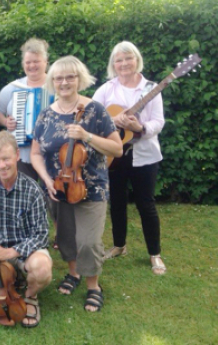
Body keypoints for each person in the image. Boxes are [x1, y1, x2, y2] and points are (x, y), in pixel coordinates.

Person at [31, 56, 122, 312]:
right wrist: (47, 180)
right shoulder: (46, 114)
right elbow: (36, 153)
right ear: (52, 81)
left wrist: (88, 136)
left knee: (89, 241)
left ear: (79, 79)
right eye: (59, 78)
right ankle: (74, 273)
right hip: (58, 187)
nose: (64, 82)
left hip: (91, 187)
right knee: (66, 237)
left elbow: (117, 148)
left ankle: (94, 286)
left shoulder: (95, 110)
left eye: (70, 77)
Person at [93, 41, 166, 275]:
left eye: (128, 58)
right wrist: (111, 122)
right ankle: (119, 245)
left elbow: (158, 121)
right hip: (115, 154)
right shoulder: (107, 89)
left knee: (146, 204)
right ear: (113, 64)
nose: (124, 63)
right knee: (116, 201)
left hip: (144, 155)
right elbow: (93, 114)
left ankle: (155, 254)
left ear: (137, 60)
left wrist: (140, 127)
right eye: (119, 60)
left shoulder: (150, 88)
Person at [0, 131, 52, 328]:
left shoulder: (32, 190)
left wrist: (11, 251)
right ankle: (8, 285)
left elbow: (42, 234)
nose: (1, 165)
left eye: (6, 158)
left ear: (16, 156)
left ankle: (30, 296)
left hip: (25, 254)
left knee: (42, 268)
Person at [0, 38, 58, 247]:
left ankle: (60, 232)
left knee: (55, 192)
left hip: (51, 152)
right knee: (25, 192)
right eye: (28, 62)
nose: (32, 66)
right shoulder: (13, 88)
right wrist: (6, 122)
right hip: (21, 150)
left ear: (45, 61)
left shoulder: (57, 84)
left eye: (36, 61)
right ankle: (29, 231)